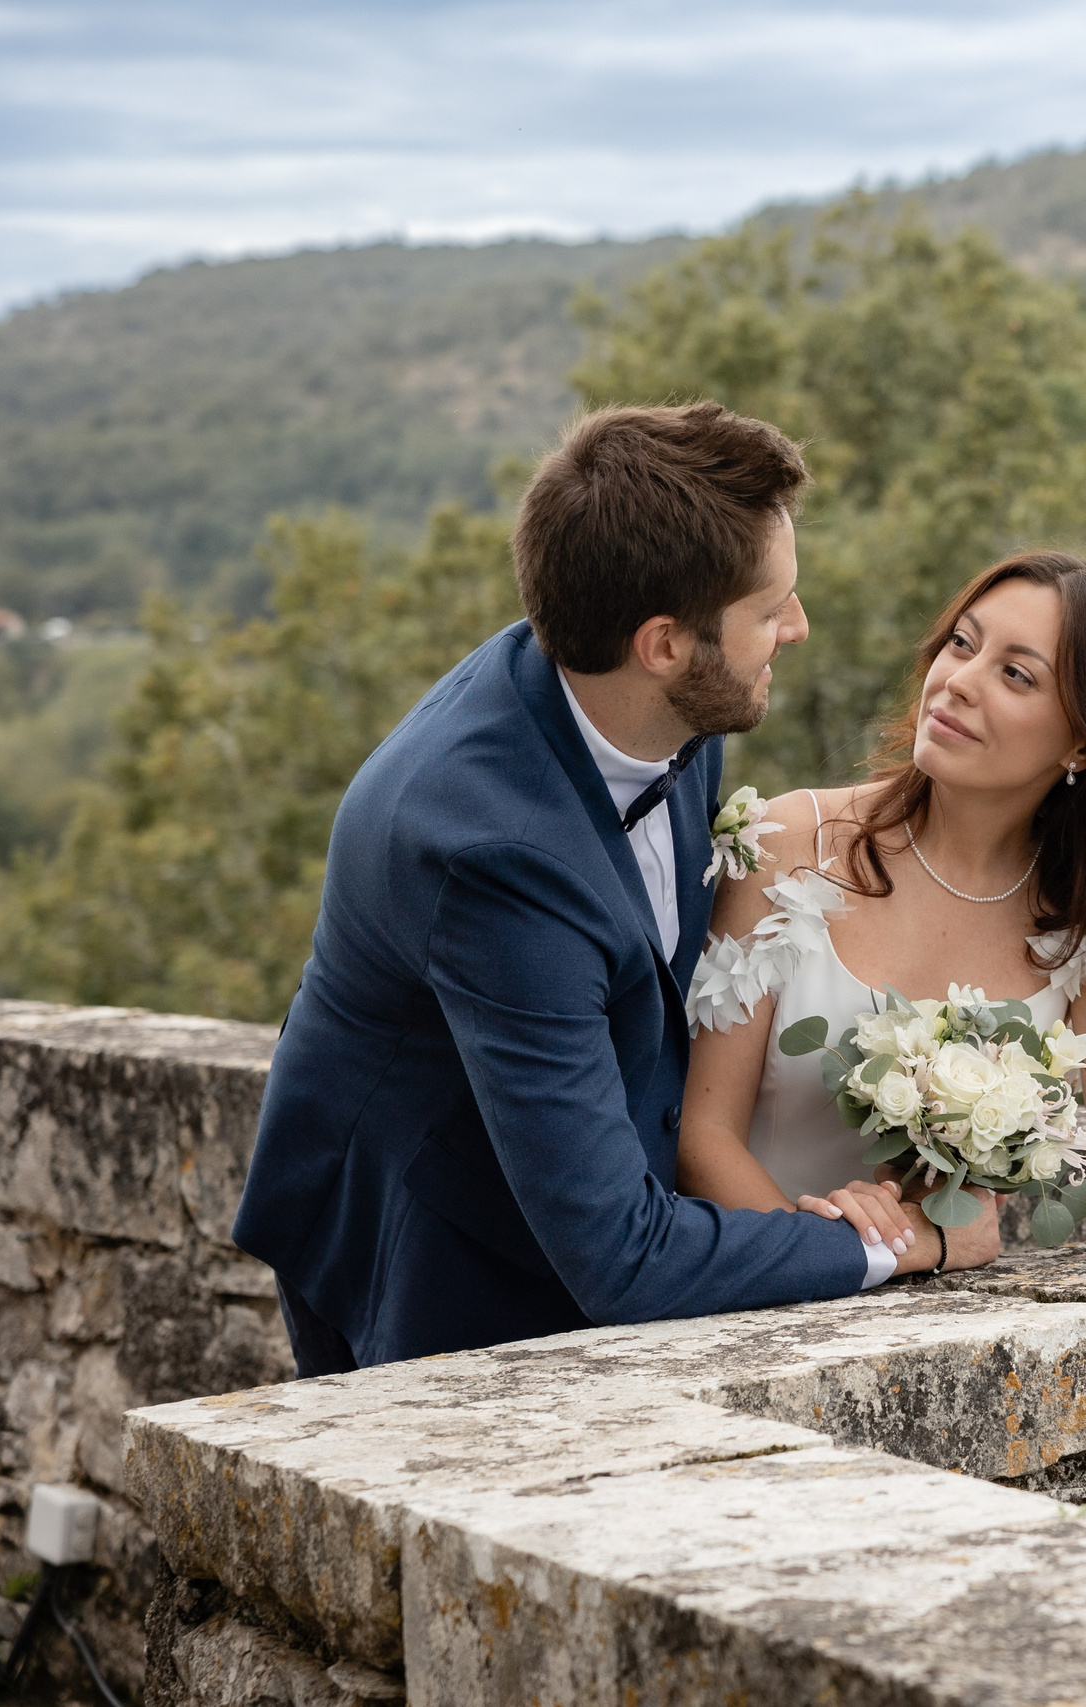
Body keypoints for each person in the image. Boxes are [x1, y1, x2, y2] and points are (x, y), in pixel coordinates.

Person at [234, 402, 901, 1374]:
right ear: (665, 644)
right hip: (425, 1237)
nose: (796, 628)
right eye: (771, 609)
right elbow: (623, 1261)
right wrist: (888, 1244)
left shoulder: (664, 699)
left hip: (563, 1185)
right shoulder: (494, 859)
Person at [678, 550, 1086, 1282]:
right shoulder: (790, 845)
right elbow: (702, 1136)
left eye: (1016, 674)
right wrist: (838, 1261)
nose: (957, 683)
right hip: (766, 1297)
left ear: (1083, 740)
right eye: (962, 643)